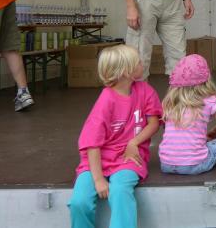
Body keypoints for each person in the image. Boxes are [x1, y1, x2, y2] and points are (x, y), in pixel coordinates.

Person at [68, 44, 162, 228]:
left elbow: (154, 123)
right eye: (138, 62)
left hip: (128, 159)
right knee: (79, 202)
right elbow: (92, 144)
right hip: (96, 162)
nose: (143, 64)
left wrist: (134, 142)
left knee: (120, 190)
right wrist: (98, 179)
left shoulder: (146, 90)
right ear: (126, 71)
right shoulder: (106, 100)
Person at [159, 54, 216, 175]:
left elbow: (180, 134)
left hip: (166, 164)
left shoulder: (170, 102)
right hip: (196, 164)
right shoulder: (210, 100)